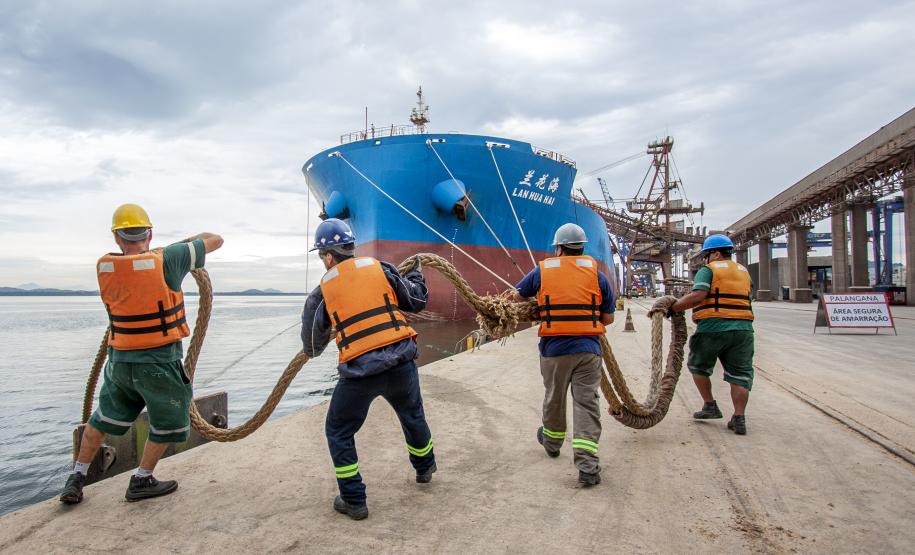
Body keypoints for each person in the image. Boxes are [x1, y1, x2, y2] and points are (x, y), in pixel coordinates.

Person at [60, 203, 223, 504]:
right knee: (167, 422)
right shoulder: (168, 260)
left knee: (102, 419)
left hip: (120, 363)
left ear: (117, 239)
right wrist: (178, 245)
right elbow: (215, 239)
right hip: (159, 362)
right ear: (149, 233)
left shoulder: (105, 267)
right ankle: (142, 479)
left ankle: (76, 477)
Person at [301, 218, 434, 521]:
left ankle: (354, 500)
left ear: (329, 256)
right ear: (350, 248)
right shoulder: (382, 269)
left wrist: (333, 327)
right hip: (401, 362)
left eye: (322, 257)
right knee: (412, 414)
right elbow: (416, 300)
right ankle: (425, 467)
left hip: (360, 372)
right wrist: (415, 274)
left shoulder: (320, 294)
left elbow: (311, 345)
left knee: (338, 430)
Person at [514, 223, 615, 486]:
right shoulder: (598, 275)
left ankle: (552, 442)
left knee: (554, 398)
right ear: (582, 248)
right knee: (586, 403)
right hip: (588, 350)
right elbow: (609, 317)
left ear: (558, 248)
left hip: (554, 349)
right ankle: (588, 466)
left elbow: (516, 297)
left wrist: (540, 308)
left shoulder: (542, 271)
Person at [668, 234, 754, 435]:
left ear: (715, 253)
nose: (704, 260)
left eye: (706, 255)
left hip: (713, 326)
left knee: (698, 366)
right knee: (740, 375)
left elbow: (698, 295)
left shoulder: (708, 271)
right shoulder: (744, 272)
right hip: (744, 330)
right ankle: (739, 418)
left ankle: (710, 405)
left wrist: (673, 308)